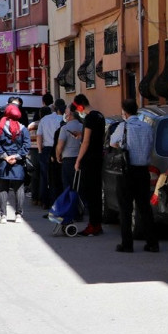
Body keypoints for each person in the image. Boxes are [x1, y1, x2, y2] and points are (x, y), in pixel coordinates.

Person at [110, 100, 158, 253]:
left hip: (126, 171)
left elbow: (112, 142)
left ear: (124, 112)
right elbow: (151, 145)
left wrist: (121, 145)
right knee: (144, 208)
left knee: (125, 208)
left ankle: (127, 244)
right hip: (143, 171)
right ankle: (152, 243)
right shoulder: (147, 127)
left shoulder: (123, 126)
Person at [73, 94, 106, 237]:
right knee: (97, 193)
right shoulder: (100, 116)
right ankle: (97, 224)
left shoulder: (89, 118)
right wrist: (80, 136)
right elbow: (95, 137)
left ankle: (93, 225)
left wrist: (78, 160)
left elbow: (86, 142)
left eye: (76, 107)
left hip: (90, 159)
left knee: (91, 193)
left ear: (80, 105)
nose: (77, 110)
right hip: (98, 157)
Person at [0, 104, 31, 223]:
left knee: (3, 188)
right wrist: (16, 156)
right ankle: (18, 214)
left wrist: (5, 157)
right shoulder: (23, 128)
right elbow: (26, 146)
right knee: (19, 188)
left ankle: (3, 215)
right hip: (17, 162)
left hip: (2, 162)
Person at [37, 99, 66, 207]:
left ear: (54, 107)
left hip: (46, 149)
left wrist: (40, 150)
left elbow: (39, 136)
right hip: (60, 149)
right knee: (58, 177)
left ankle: (45, 201)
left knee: (45, 177)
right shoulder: (64, 120)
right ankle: (58, 201)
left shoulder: (45, 119)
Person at [56, 104, 85, 196]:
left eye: (66, 112)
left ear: (70, 114)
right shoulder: (83, 127)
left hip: (68, 159)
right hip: (81, 159)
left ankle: (70, 207)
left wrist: (58, 156)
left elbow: (60, 146)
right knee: (80, 186)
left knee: (68, 186)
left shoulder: (65, 128)